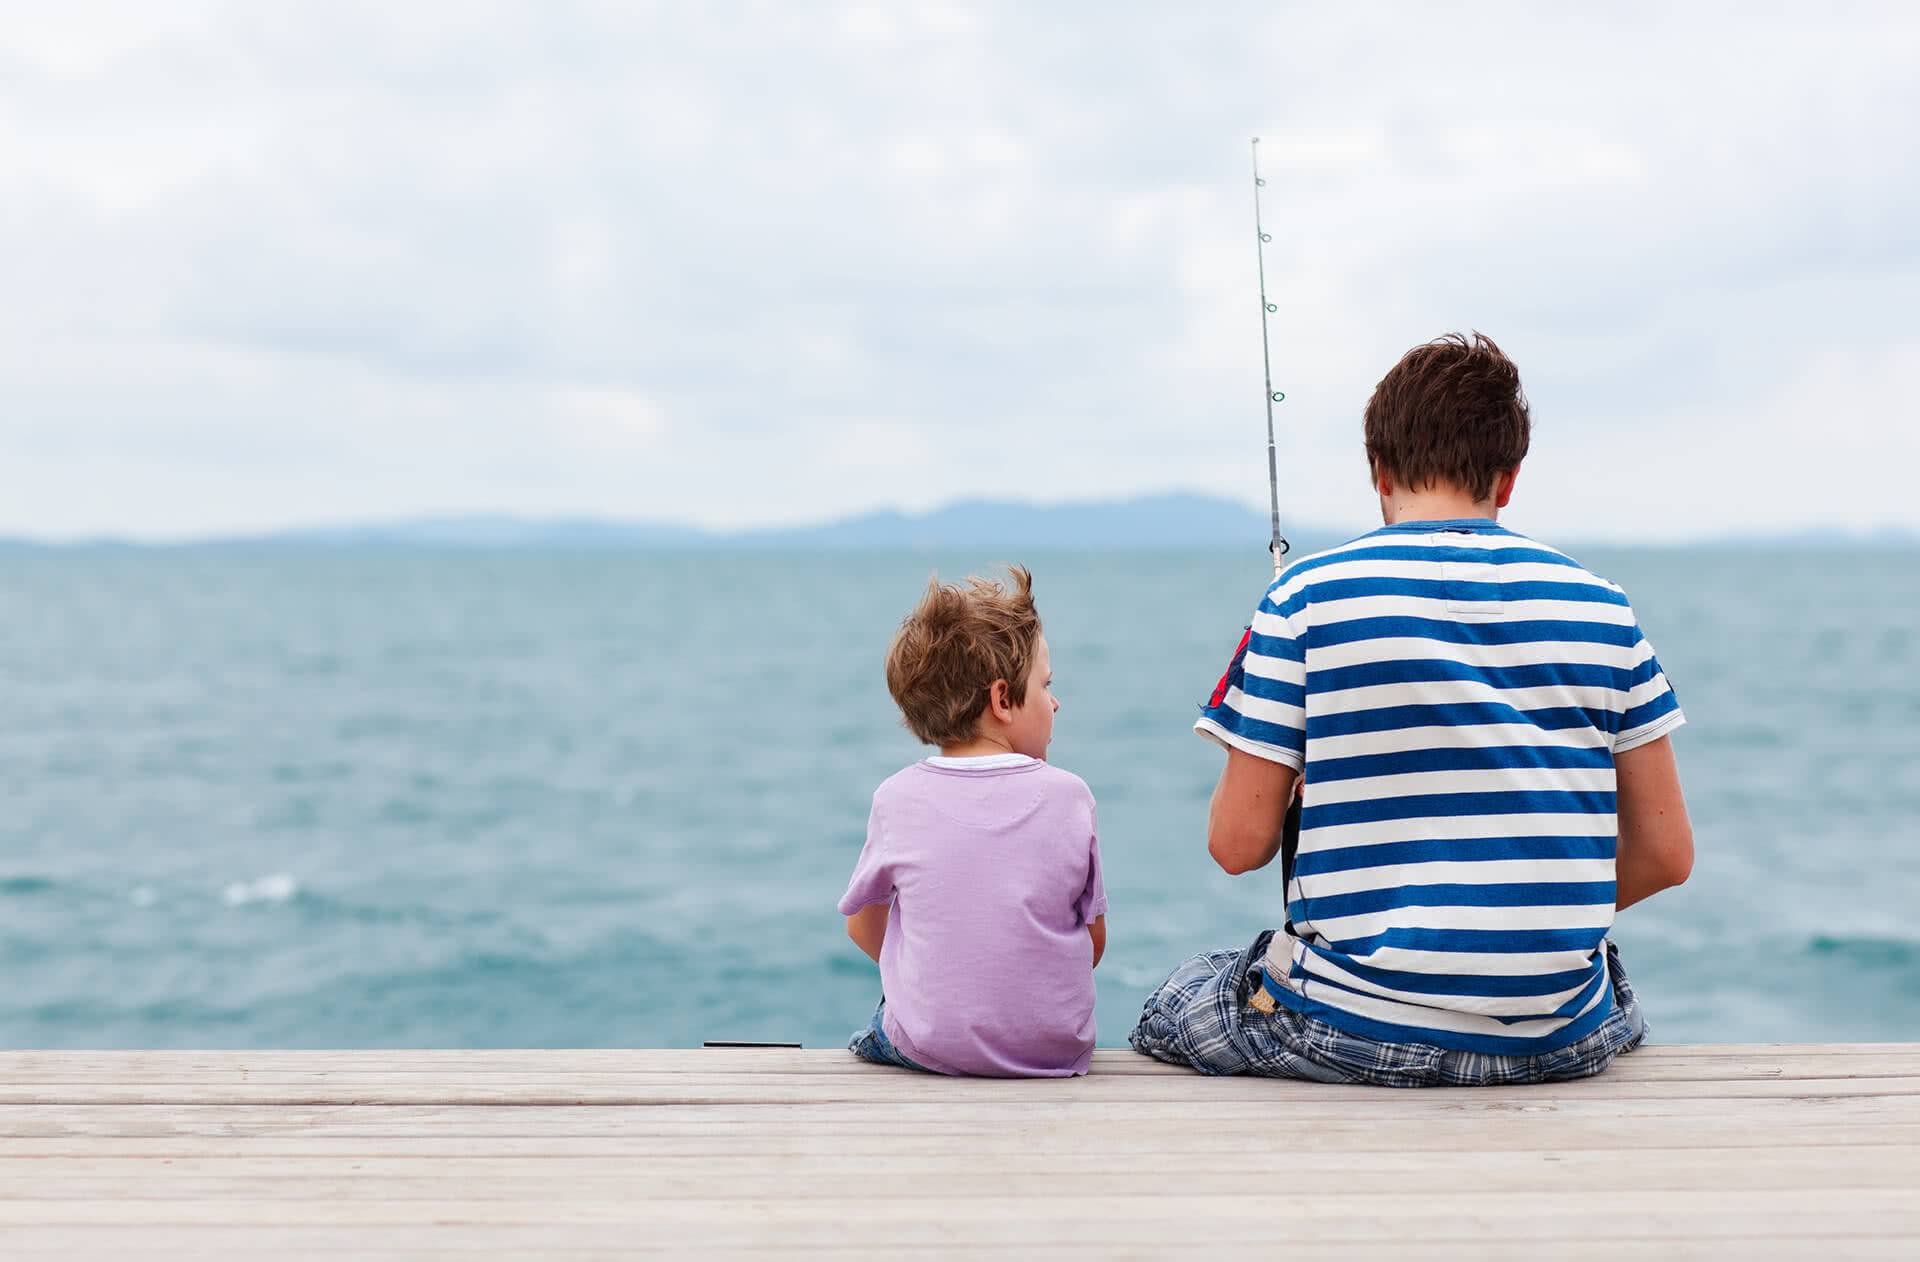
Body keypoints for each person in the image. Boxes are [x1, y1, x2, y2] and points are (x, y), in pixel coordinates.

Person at [1131, 332, 1694, 1087]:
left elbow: (1236, 844)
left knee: (1184, 994)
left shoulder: (1302, 599)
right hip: (1560, 1037)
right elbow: (1666, 854)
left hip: (1360, 1032)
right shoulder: (1603, 605)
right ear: (1509, 477)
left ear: (1379, 470)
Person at [840, 565, 1107, 1076]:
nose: (1055, 702)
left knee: (880, 1025)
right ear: (1002, 699)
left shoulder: (896, 798)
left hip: (931, 1046)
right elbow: (1093, 945)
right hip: (1054, 1049)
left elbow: (862, 926)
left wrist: (935, 976)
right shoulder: (1071, 796)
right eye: (1045, 685)